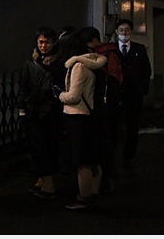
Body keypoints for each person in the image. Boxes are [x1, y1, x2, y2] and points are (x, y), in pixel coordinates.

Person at [54, 31, 106, 210]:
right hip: (91, 115)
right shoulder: (93, 62)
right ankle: (94, 193)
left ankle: (84, 197)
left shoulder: (77, 66)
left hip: (78, 117)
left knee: (82, 160)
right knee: (93, 158)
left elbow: (74, 96)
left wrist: (59, 94)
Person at [16, 27, 65, 200]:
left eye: (47, 42)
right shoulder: (30, 64)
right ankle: (42, 179)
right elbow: (23, 87)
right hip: (34, 112)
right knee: (37, 147)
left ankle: (48, 183)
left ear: (54, 43)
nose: (43, 46)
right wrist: (22, 110)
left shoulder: (60, 64)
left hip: (52, 113)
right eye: (41, 42)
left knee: (47, 147)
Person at [76, 26, 123, 193]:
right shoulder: (100, 54)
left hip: (106, 107)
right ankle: (103, 180)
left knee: (106, 144)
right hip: (99, 107)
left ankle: (106, 180)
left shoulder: (108, 54)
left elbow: (115, 79)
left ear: (95, 40)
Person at [115, 18, 152, 167]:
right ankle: (113, 152)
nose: (124, 33)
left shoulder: (139, 49)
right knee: (115, 123)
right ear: (116, 32)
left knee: (133, 124)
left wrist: (143, 88)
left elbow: (146, 69)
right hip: (117, 93)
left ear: (131, 31)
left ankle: (129, 154)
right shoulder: (112, 49)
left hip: (134, 93)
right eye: (121, 30)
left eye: (127, 30)